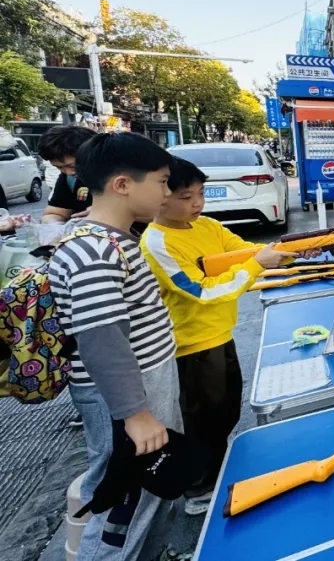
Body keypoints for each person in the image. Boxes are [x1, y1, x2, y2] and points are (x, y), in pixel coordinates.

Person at [48, 132, 182, 561]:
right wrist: (136, 415)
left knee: (150, 490)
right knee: (122, 503)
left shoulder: (113, 239)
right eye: (161, 182)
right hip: (129, 395)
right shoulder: (96, 251)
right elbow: (103, 340)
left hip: (144, 386)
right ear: (123, 185)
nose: (168, 192)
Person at [140, 156, 298, 516]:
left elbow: (244, 251)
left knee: (225, 412)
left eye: (200, 193)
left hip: (219, 336)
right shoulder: (157, 243)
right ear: (161, 195)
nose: (197, 203)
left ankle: (216, 471)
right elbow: (201, 290)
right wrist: (260, 264)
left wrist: (288, 253)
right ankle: (199, 490)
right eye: (185, 196)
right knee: (200, 421)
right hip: (189, 348)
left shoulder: (207, 226)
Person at [38, 125, 98, 223]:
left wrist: (104, 213)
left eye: (73, 166)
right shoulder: (70, 180)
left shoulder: (124, 173)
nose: (69, 172)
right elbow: (54, 213)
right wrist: (56, 226)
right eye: (59, 167)